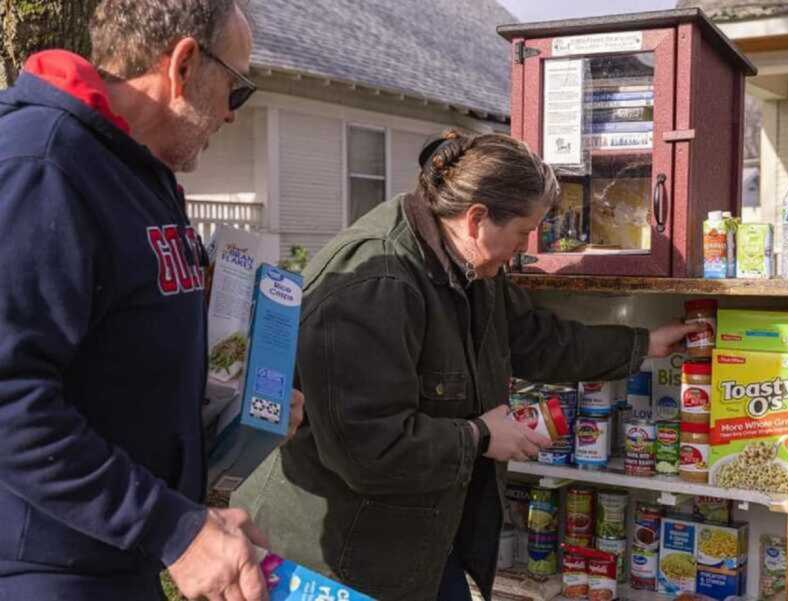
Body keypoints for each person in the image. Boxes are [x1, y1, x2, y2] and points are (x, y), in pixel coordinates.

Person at [248, 130, 702, 601]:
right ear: (477, 218)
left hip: (415, 540)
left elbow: (532, 339)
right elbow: (369, 450)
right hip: (333, 561)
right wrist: (480, 436)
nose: (524, 247)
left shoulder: (469, 264)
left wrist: (644, 343)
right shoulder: (376, 283)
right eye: (523, 232)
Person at [0, 1, 295, 599]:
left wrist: (235, 413)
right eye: (234, 91)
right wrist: (173, 527)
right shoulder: (42, 165)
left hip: (116, 555)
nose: (231, 117)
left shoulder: (137, 172)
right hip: (42, 570)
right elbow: (9, 395)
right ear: (184, 65)